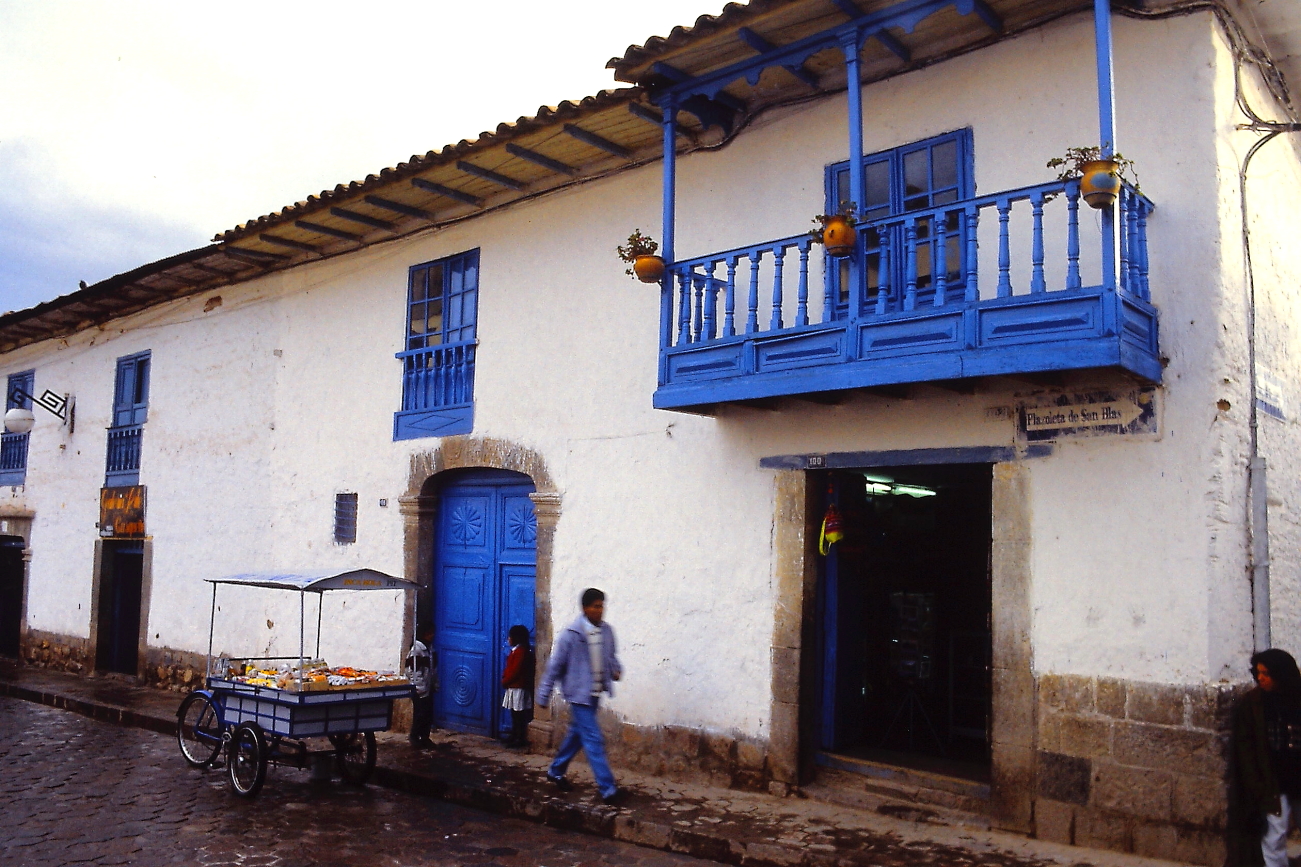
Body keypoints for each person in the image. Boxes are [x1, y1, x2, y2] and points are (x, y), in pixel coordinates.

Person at [536, 588, 623, 804]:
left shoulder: (607, 632)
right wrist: (544, 693)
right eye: (595, 606)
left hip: (595, 693)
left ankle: (556, 770)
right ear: (585, 608)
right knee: (593, 738)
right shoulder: (571, 635)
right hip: (578, 695)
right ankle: (608, 788)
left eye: (601, 606)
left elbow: (611, 657)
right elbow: (555, 666)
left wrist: (615, 670)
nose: (600, 610)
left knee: (577, 735)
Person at [1228, 648, 1301, 867]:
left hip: (1298, 775)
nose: (1260, 678)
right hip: (1273, 781)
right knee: (1274, 836)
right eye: (1258, 673)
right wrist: (1257, 785)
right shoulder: (1253, 704)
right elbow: (1246, 748)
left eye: (1266, 673)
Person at [501, 624, 536, 748]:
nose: (508, 639)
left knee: (519, 714)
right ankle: (514, 735)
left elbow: (515, 670)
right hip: (513, 687)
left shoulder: (520, 652)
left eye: (510, 637)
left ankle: (520, 737)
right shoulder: (516, 651)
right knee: (514, 713)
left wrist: (505, 680)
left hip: (518, 687)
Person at [406, 624, 436, 749]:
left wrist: (434, 684)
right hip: (419, 689)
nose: (432, 635)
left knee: (427, 714)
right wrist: (419, 687)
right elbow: (413, 671)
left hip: (428, 687)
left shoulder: (430, 648)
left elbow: (433, 669)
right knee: (420, 714)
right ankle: (415, 736)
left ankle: (425, 737)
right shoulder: (417, 649)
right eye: (429, 633)